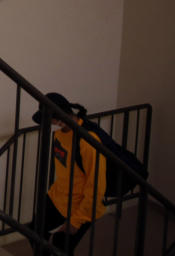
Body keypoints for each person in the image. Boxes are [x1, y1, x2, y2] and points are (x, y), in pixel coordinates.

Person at [27, 92, 107, 255]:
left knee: (60, 247)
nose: (50, 123)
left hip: (81, 204)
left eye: (51, 119)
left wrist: (77, 220)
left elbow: (96, 185)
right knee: (34, 231)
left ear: (59, 118)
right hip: (58, 196)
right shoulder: (59, 135)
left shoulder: (88, 141)